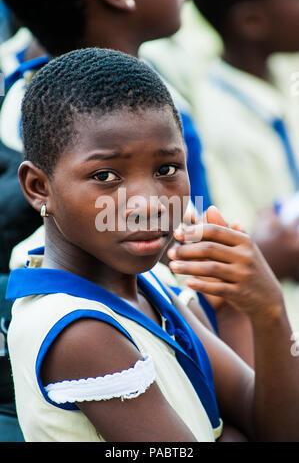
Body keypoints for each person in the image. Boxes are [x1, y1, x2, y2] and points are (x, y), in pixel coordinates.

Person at [6, 47, 299, 442]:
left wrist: (268, 312)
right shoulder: (81, 331)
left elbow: (266, 420)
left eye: (166, 169)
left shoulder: (146, 283)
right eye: (106, 175)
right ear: (40, 188)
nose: (148, 203)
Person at [182, 0, 299, 332]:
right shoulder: (215, 120)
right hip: (280, 315)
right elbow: (242, 239)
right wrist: (273, 250)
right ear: (252, 23)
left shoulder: (284, 75)